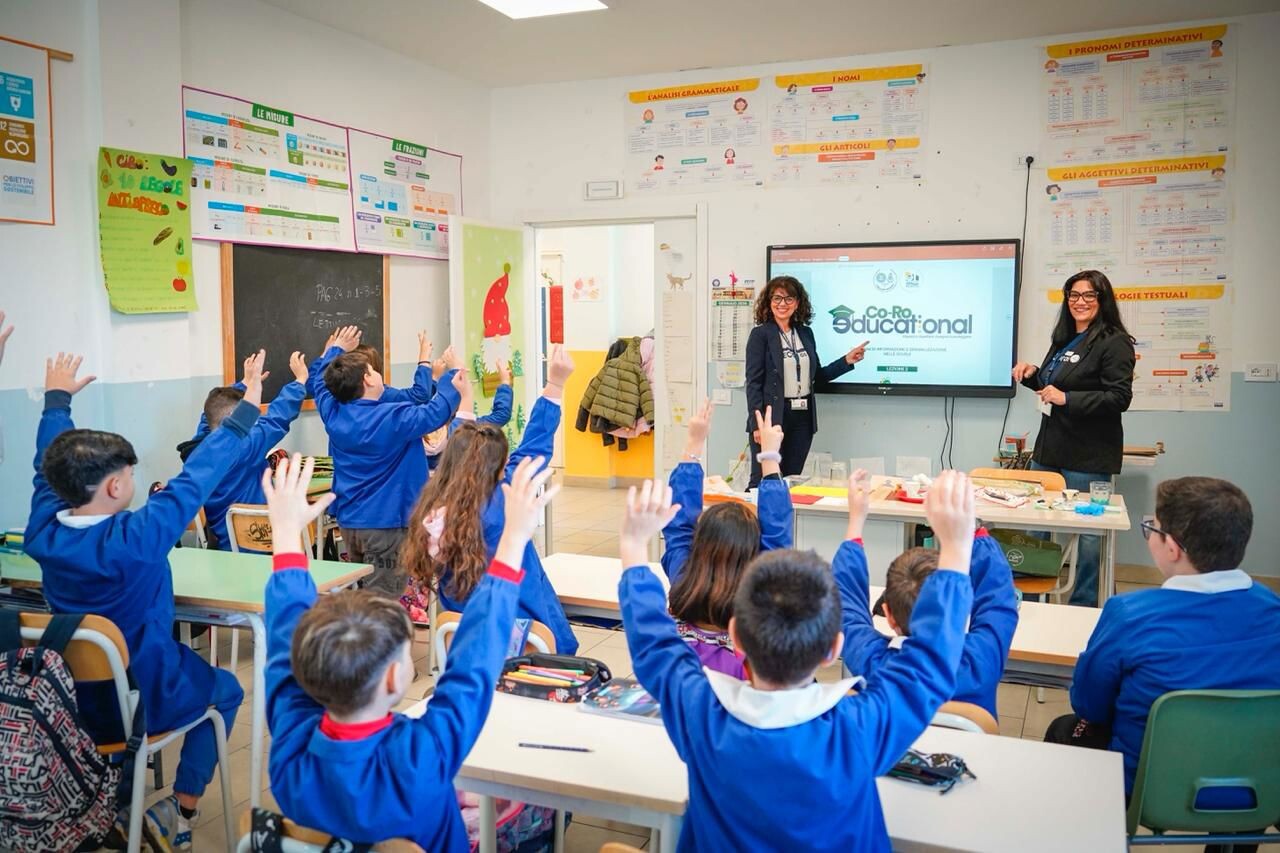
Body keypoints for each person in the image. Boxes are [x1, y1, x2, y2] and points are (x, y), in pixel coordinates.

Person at [617, 472, 977, 851]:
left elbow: (654, 645)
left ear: (735, 637)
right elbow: (930, 662)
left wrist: (633, 545)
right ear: (833, 650)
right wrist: (955, 548)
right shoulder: (858, 728)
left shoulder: (701, 714)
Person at [26, 352, 262, 849]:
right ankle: (179, 808)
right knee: (227, 691)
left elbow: (44, 468)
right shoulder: (140, 536)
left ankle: (115, 802)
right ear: (115, 486)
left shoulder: (43, 531)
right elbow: (199, 474)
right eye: (131, 476)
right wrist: (247, 411)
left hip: (70, 699)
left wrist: (57, 403)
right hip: (147, 693)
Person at [264, 453, 557, 849]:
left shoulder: (290, 752)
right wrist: (514, 540)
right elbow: (474, 664)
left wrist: (284, 534)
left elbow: (283, 647)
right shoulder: (422, 755)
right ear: (392, 677)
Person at [1045, 477, 1280, 853]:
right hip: (1258, 787)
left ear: (1171, 547)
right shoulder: (1273, 610)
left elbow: (1089, 704)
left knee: (1067, 728)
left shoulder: (1130, 614)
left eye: (1151, 528)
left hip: (1150, 788)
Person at [402, 346, 578, 655]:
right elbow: (534, 446)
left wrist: (464, 397)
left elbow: (462, 442)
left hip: (466, 645)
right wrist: (556, 385)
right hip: (524, 641)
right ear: (497, 467)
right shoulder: (504, 498)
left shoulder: (436, 501)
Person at [835, 469, 1019, 719]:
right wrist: (970, 529)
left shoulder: (872, 659)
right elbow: (998, 598)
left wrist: (856, 521)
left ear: (887, 614)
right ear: (963, 607)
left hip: (898, 759)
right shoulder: (981, 659)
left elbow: (846, 604)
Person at [309, 325, 464, 597]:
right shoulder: (393, 418)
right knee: (383, 600)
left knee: (362, 594)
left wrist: (335, 350)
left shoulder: (332, 414)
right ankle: (376, 640)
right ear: (368, 379)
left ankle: (360, 638)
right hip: (385, 526)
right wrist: (453, 374)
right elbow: (436, 412)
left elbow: (320, 383)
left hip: (351, 523)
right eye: (373, 370)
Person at [1012, 270, 1135, 606]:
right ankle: (1028, 602)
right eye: (1073, 295)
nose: (1079, 302)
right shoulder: (1063, 338)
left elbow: (1119, 397)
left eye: (1088, 295)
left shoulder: (1114, 341)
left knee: (1090, 537)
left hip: (1089, 454)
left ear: (1102, 299)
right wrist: (1032, 376)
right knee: (1034, 526)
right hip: (1049, 449)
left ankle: (1083, 606)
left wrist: (1068, 399)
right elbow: (1053, 389)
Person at [662, 403, 793, 678]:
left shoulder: (684, 575)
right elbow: (778, 534)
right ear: (754, 552)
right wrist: (769, 456)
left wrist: (694, 444)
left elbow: (678, 526)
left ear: (699, 544)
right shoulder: (757, 593)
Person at [744, 275, 868, 487]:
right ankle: (756, 520)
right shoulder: (760, 335)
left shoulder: (805, 333)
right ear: (769, 302)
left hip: (802, 419)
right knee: (763, 480)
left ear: (798, 303)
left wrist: (846, 361)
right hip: (772, 419)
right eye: (777, 298)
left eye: (788, 299)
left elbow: (817, 378)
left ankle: (783, 520)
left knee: (790, 480)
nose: (782, 304)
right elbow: (753, 383)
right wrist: (757, 425)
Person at [180, 350, 309, 550]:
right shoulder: (245, 447)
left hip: (226, 547)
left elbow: (210, 414)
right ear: (236, 418)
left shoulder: (199, 449)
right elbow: (277, 417)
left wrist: (244, 385)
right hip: (264, 547)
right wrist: (300, 381)